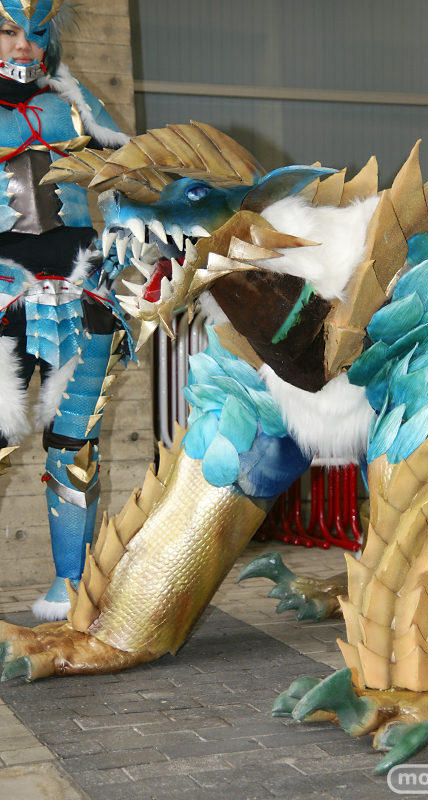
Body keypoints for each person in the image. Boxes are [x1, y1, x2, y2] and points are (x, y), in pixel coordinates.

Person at [0, 0, 134, 620]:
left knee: (74, 447)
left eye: (35, 32)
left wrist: (127, 240)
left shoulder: (77, 103)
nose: (23, 45)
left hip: (82, 291)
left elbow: (132, 176)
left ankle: (71, 590)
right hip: (3, 292)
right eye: (8, 30)